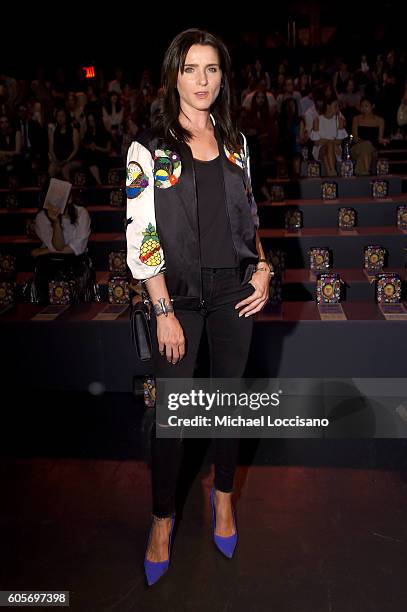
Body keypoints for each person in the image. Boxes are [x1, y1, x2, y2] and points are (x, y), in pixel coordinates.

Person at [125, 28, 273, 586]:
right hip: (177, 297)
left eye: (212, 69)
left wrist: (263, 268)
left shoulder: (236, 142)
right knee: (174, 418)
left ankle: (225, 499)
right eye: (192, 69)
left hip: (234, 291)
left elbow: (249, 218)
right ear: (174, 75)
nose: (203, 80)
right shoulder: (151, 147)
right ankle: (162, 520)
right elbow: (141, 235)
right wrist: (162, 309)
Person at [310, 95, 348, 176]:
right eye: (335, 106)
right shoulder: (318, 120)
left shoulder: (339, 120)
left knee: (326, 153)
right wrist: (331, 143)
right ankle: (333, 171)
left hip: (334, 151)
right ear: (328, 106)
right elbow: (316, 143)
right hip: (320, 150)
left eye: (338, 106)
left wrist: (326, 141)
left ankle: (331, 172)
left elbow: (338, 142)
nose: (338, 108)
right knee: (329, 145)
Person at [351, 97, 389, 175]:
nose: (363, 109)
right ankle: (365, 171)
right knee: (366, 146)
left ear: (373, 106)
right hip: (357, 148)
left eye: (366, 106)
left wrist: (383, 140)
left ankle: (363, 172)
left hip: (372, 149)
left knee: (367, 149)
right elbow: (355, 138)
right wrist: (365, 143)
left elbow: (379, 139)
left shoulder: (380, 120)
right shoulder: (356, 119)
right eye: (362, 106)